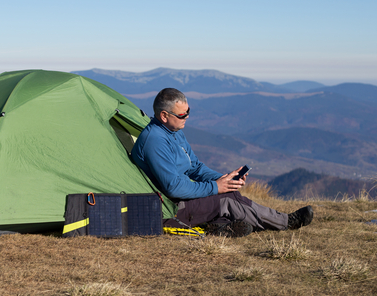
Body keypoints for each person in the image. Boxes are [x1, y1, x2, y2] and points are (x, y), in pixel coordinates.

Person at [131, 88, 313, 237]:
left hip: (182, 198)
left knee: (228, 193)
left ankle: (220, 227)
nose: (186, 117)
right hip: (170, 208)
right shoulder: (155, 141)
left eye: (188, 112)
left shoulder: (174, 132)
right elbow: (173, 188)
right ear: (164, 116)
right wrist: (216, 187)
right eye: (182, 115)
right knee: (227, 199)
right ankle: (287, 222)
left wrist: (225, 179)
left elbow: (194, 167)